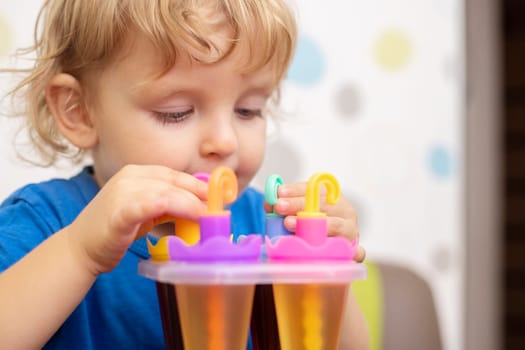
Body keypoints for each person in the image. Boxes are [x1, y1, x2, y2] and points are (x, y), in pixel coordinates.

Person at [0, 0, 368, 349]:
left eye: (248, 110)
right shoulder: (45, 222)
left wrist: (327, 265)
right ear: (78, 111)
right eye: (176, 112)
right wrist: (79, 252)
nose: (225, 141)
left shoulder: (269, 226)